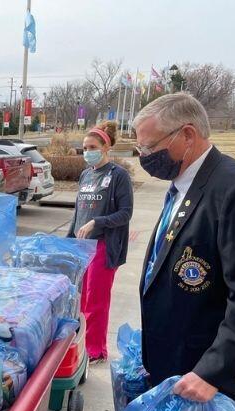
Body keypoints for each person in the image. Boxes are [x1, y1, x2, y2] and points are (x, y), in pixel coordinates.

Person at [134, 92, 235, 406]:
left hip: (205, 383)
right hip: (177, 368)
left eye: (150, 147)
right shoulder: (183, 185)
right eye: (140, 148)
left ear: (187, 134)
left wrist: (214, 371)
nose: (144, 156)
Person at [68, 120, 133, 362]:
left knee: (96, 301)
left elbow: (125, 213)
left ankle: (95, 350)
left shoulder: (118, 176)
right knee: (81, 299)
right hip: (81, 246)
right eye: (84, 148)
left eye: (92, 147)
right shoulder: (86, 175)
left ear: (106, 147)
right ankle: (82, 344)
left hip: (104, 246)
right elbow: (78, 212)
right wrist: (67, 239)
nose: (87, 152)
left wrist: (98, 222)